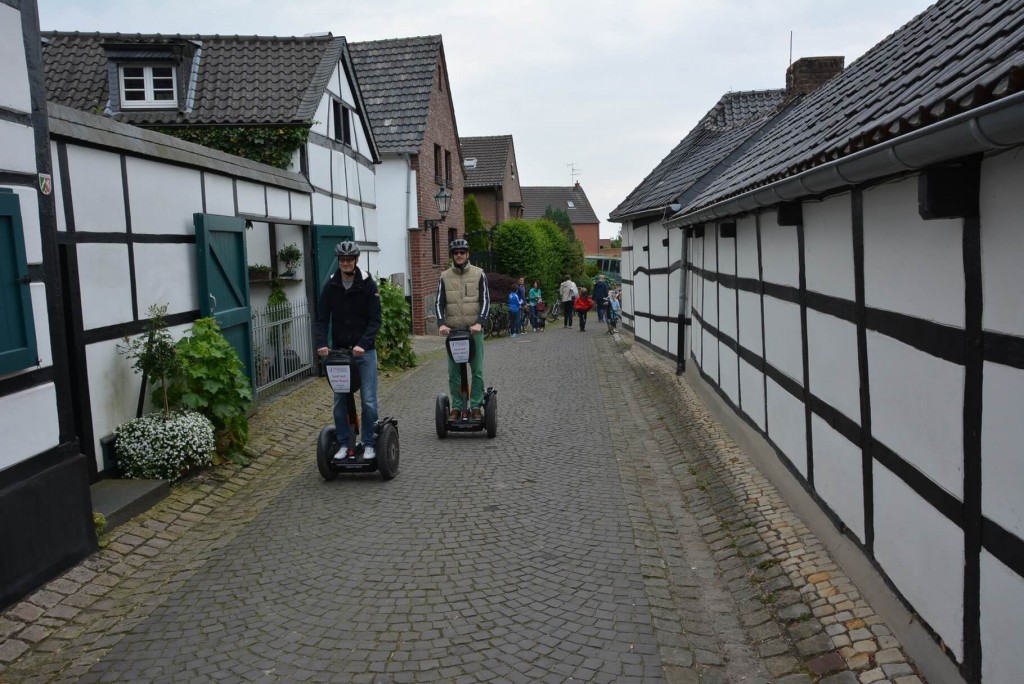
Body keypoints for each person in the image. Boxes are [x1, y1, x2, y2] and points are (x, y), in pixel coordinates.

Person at [315, 241, 382, 460]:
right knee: (340, 400)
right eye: (342, 260)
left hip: (365, 353)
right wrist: (322, 344)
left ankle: (369, 442)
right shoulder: (331, 285)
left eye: (349, 259)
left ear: (356, 260)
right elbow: (322, 319)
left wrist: (363, 343)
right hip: (340, 355)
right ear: (339, 261)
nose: (345, 263)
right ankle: (344, 443)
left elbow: (375, 320)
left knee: (369, 400)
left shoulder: (367, 284)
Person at [436, 239, 490, 420]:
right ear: (453, 255)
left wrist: (480, 323)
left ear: (467, 254)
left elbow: (485, 301)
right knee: (454, 372)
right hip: (454, 333)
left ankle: (475, 406)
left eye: (462, 252)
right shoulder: (444, 276)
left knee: (477, 371)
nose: (459, 255)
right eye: (456, 253)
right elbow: (439, 302)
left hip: (473, 331)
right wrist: (441, 323)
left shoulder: (479, 274)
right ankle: (457, 407)